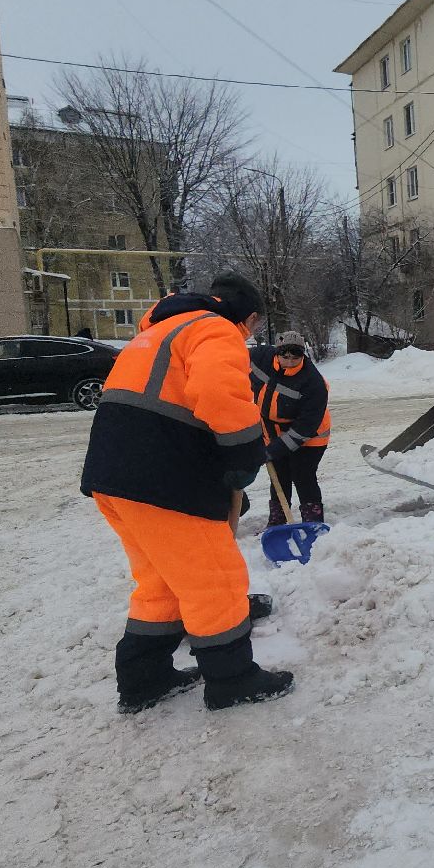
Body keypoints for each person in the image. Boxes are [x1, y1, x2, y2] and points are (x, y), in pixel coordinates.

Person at [80, 271, 294, 713]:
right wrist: (241, 459)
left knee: (162, 583)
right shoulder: (215, 327)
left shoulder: (159, 331)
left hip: (114, 476)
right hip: (163, 478)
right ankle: (232, 680)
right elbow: (219, 393)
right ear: (249, 317)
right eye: (254, 326)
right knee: (215, 581)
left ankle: (146, 679)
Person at [249, 330, 330, 525]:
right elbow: (232, 357)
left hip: (310, 435)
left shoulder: (313, 383)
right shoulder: (260, 357)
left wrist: (273, 450)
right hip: (272, 429)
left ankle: (312, 521)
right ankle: (278, 520)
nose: (290, 360)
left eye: (296, 355)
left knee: (302, 474)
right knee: (279, 474)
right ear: (277, 353)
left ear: (303, 354)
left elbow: (305, 427)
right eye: (285, 355)